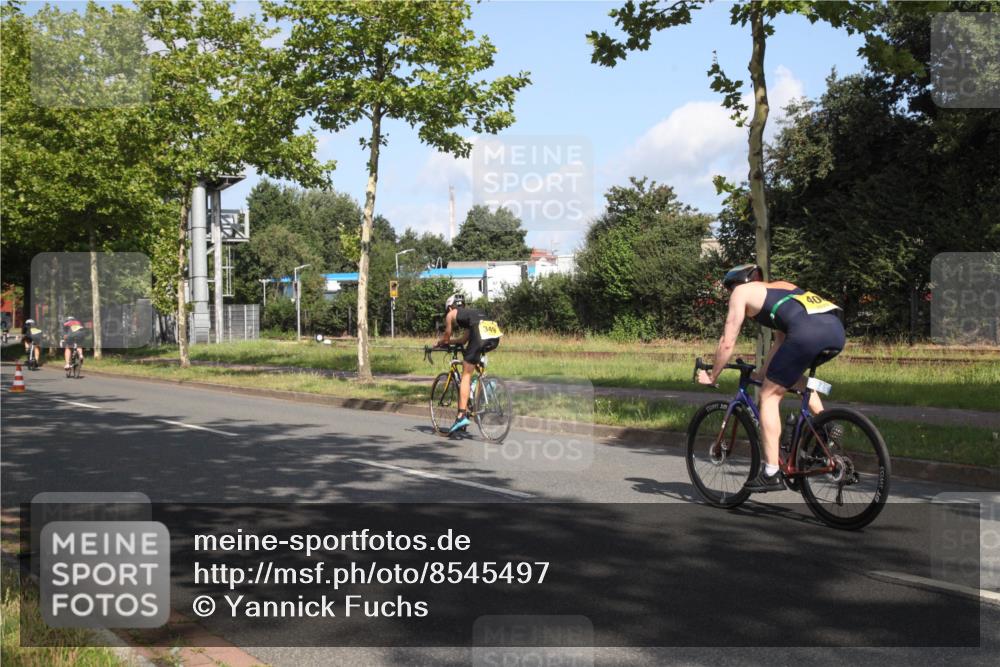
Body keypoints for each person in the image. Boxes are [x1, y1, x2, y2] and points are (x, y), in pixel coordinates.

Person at [697, 264, 845, 493]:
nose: (730, 295)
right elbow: (780, 342)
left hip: (806, 332)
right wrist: (762, 373)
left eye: (729, 290)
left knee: (768, 396)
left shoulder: (741, 292)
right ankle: (825, 424)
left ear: (736, 284)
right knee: (787, 377)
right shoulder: (781, 288)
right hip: (835, 330)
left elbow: (727, 341)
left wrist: (712, 375)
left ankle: (771, 472)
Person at [436, 294, 503, 434]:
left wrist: (441, 342)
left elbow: (447, 336)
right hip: (494, 335)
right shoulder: (471, 315)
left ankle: (461, 415)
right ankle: (485, 388)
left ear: (450, 307)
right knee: (474, 362)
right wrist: (452, 342)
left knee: (466, 374)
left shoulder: (450, 314)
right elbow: (463, 340)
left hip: (480, 335)